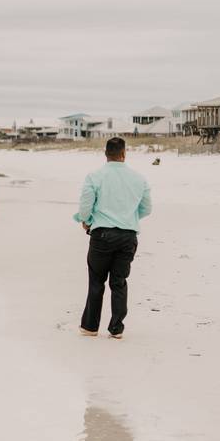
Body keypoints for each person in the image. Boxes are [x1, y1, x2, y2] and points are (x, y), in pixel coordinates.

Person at [75, 137, 152, 339]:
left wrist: (86, 221)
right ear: (124, 153)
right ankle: (116, 328)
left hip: (102, 234)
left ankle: (91, 327)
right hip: (128, 236)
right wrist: (129, 218)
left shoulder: (95, 176)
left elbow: (85, 207)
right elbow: (147, 208)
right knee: (119, 282)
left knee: (96, 281)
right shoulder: (139, 178)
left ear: (106, 154)